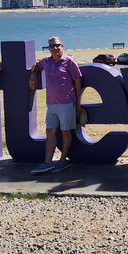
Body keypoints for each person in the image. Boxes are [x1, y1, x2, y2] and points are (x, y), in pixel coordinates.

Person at [29, 37, 83, 174]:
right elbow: (36, 65)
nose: (54, 48)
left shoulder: (69, 61)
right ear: (49, 48)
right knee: (50, 132)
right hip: (51, 104)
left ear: (62, 46)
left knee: (65, 132)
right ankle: (47, 162)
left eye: (57, 45)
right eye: (51, 46)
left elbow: (77, 81)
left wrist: (78, 102)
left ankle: (63, 160)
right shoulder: (46, 61)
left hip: (67, 103)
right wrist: (33, 76)